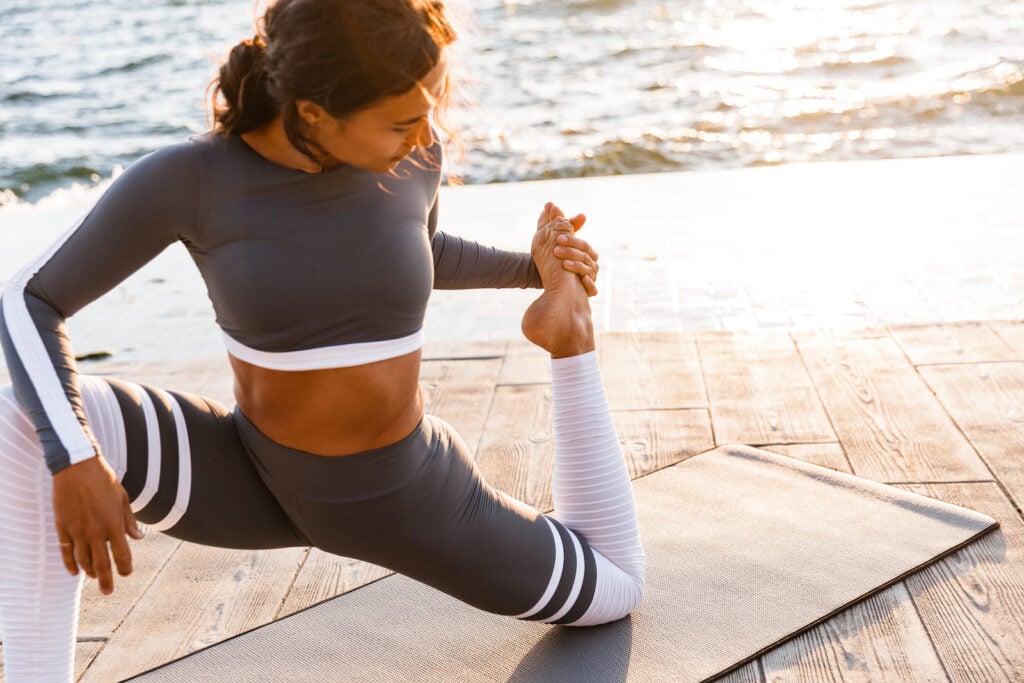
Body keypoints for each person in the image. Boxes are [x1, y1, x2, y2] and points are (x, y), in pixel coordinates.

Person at [0, 0, 645, 680]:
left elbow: (415, 251)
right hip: (252, 473)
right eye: (402, 119)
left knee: (617, 587)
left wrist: (531, 271)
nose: (427, 130)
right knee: (22, 419)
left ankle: (569, 343)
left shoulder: (415, 153)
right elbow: (28, 298)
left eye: (426, 107)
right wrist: (73, 457)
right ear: (312, 113)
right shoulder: (190, 180)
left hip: (408, 499)